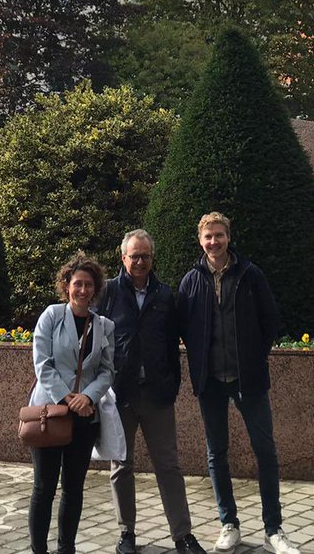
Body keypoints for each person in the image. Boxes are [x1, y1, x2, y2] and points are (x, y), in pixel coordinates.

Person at [177, 212, 301, 554]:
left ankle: (273, 529)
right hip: (211, 380)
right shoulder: (191, 280)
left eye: (219, 235)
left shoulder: (250, 275)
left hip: (249, 380)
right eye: (208, 237)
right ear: (200, 241)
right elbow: (185, 327)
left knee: (266, 451)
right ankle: (228, 523)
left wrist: (255, 358)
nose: (213, 242)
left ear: (229, 237)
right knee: (216, 453)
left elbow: (270, 320)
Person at [98, 229, 206, 554]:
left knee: (169, 466)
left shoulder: (164, 295)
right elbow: (97, 342)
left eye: (145, 256)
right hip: (121, 395)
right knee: (121, 466)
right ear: (123, 258)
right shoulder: (109, 293)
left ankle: (182, 535)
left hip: (158, 395)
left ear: (152, 257)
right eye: (135, 256)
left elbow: (174, 345)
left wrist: (172, 383)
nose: (140, 261)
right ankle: (126, 534)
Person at [28, 255, 116, 554]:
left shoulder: (104, 325)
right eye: (77, 283)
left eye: (88, 285)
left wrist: (88, 397)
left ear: (96, 289)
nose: (82, 290)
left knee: (74, 489)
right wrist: (68, 398)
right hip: (50, 413)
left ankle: (67, 548)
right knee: (43, 488)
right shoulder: (51, 316)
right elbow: (42, 363)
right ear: (67, 286)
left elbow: (107, 370)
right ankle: (39, 549)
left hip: (84, 417)